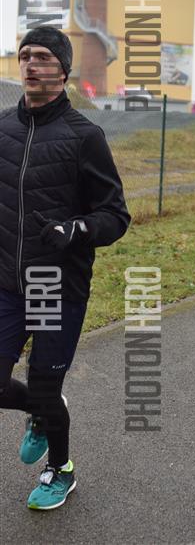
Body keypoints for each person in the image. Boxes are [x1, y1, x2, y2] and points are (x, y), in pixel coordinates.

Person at [0, 25, 130, 510]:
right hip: (6, 282)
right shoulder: (2, 128)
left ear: (64, 70)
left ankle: (61, 469)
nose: (30, 64)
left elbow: (115, 215)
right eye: (24, 56)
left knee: (45, 382)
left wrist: (76, 229)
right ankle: (41, 410)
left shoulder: (85, 136)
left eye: (42, 57)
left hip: (55, 285)